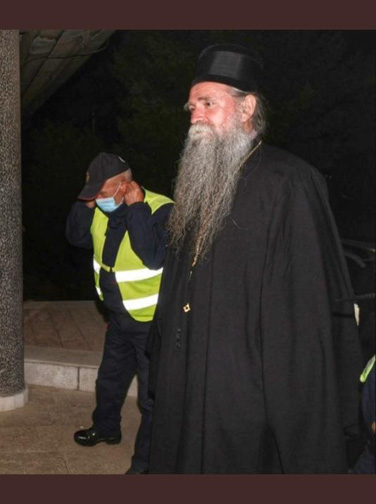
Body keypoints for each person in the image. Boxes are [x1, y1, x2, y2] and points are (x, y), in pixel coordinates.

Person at [147, 44, 362, 473]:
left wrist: (293, 412)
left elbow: (304, 315)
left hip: (246, 391)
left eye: (208, 104)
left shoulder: (290, 182)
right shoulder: (200, 181)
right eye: (192, 107)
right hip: (188, 373)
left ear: (246, 108)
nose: (195, 117)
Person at [66, 152, 173, 474]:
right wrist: (86, 205)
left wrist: (136, 207)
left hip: (152, 323)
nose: (97, 199)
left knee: (151, 397)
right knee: (109, 381)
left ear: (124, 186)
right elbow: (76, 237)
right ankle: (106, 428)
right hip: (118, 317)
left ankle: (145, 466)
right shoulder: (99, 208)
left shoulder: (162, 209)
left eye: (102, 192)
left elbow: (153, 256)